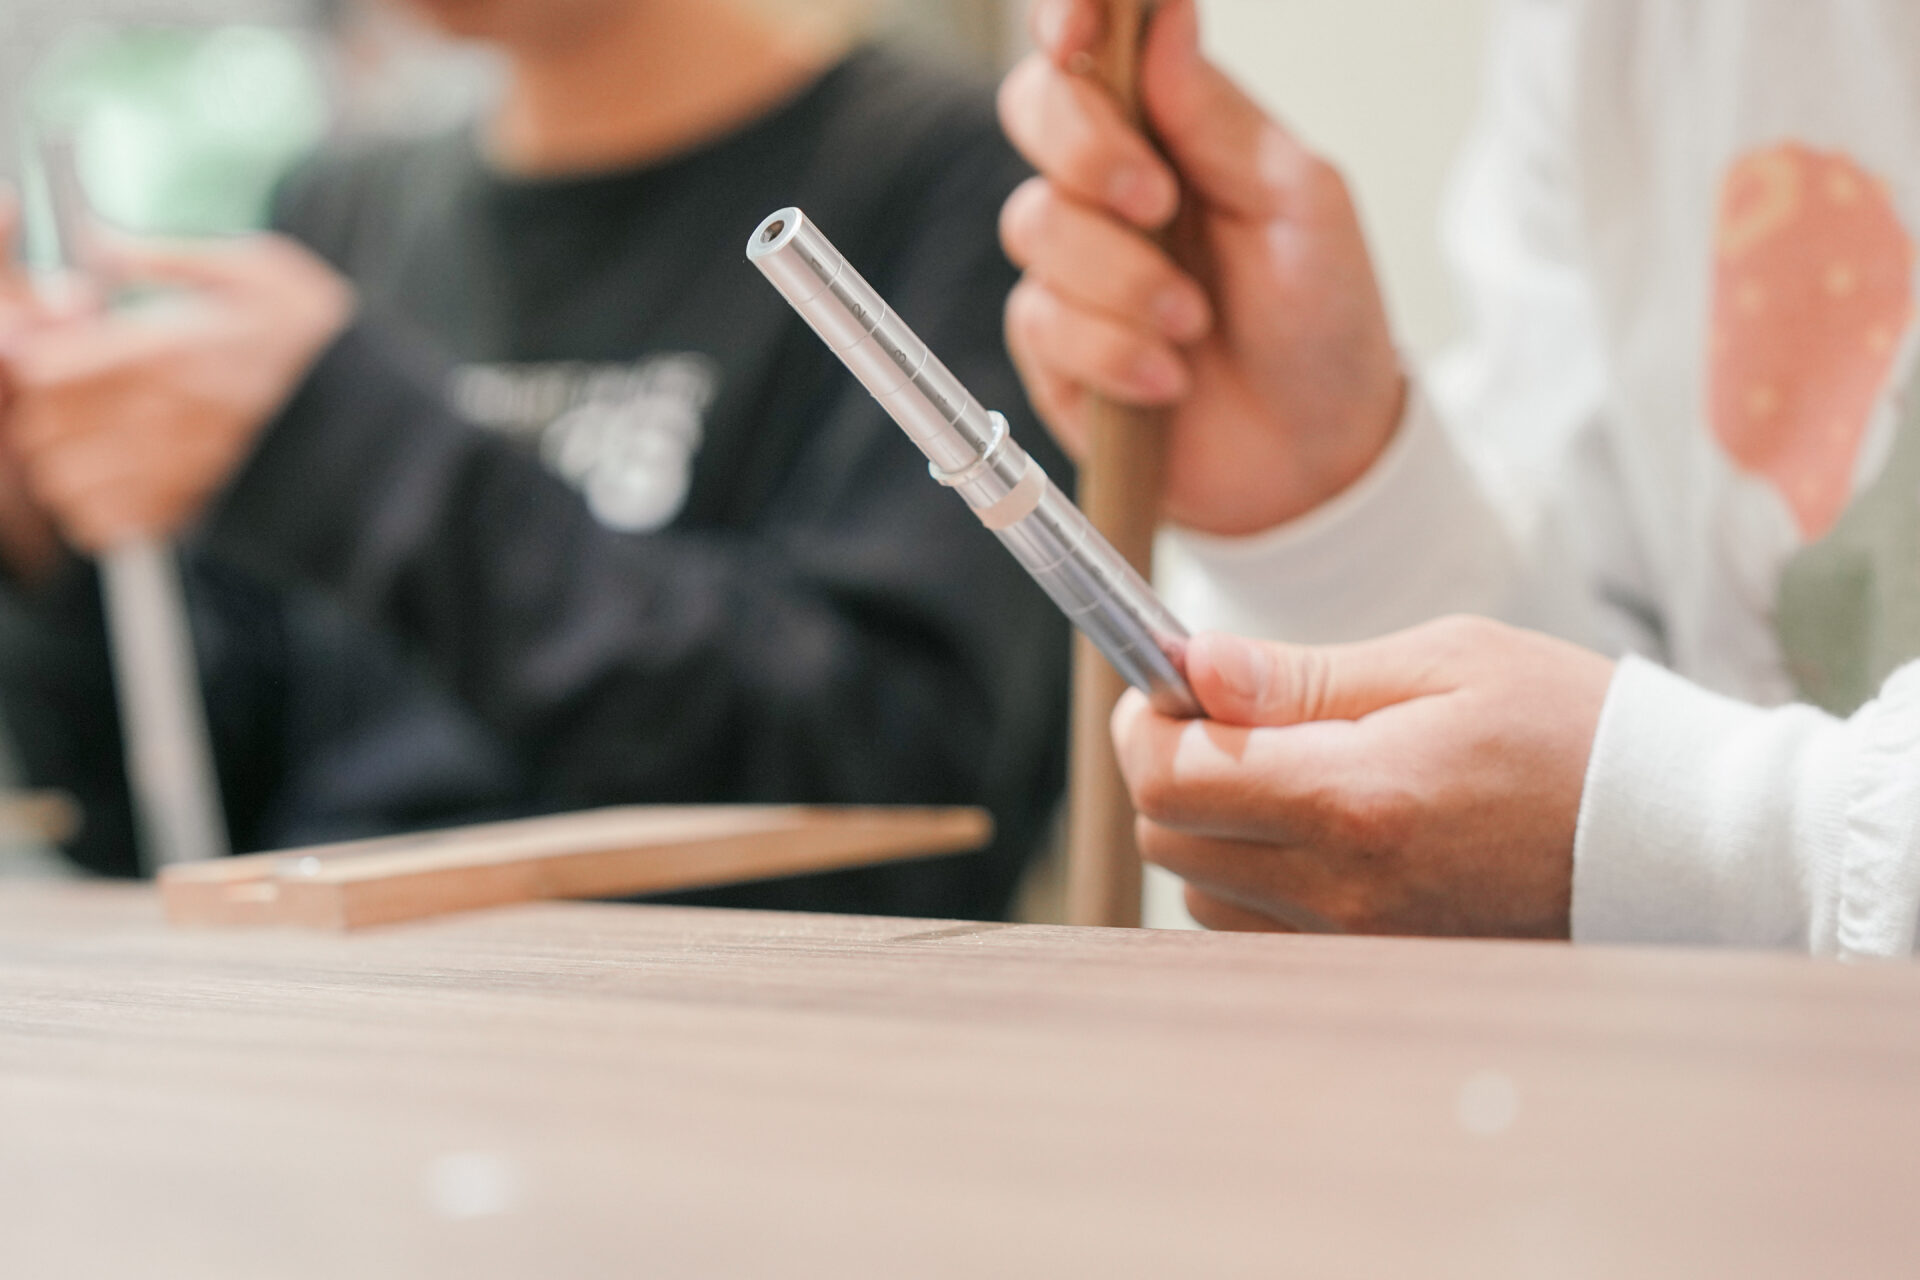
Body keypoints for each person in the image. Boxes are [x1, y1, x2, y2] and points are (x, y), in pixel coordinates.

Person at [0, 0, 1071, 921]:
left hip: (745, 1065)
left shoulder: (954, 185)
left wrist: (361, 450)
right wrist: (51, 545)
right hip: (347, 1049)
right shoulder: (345, 211)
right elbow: (200, 813)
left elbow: (907, 795)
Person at [996, 0, 1920, 955]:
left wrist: (1719, 850)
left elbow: (1633, 820)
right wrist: (1337, 522)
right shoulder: (1612, 31)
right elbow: (1614, 702)